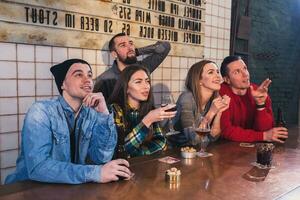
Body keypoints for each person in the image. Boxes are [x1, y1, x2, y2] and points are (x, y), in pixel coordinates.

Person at [5, 59, 132, 185]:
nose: (87, 80)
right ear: (62, 84)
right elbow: (38, 167)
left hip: (67, 189)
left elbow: (101, 158)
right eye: (78, 74)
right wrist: (95, 173)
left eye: (89, 75)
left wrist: (103, 115)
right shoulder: (41, 111)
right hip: (27, 189)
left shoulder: (92, 114)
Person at [108, 64, 176, 157]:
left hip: (144, 166)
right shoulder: (114, 110)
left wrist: (136, 153)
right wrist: (147, 121)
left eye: (147, 81)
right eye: (138, 82)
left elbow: (162, 143)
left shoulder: (150, 109)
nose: (146, 86)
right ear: (126, 88)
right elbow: (120, 151)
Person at [219, 55, 288, 142]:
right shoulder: (221, 93)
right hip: (225, 148)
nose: (245, 74)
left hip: (252, 148)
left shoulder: (258, 92)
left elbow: (267, 131)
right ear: (227, 80)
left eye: (245, 68)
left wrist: (260, 105)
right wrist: (263, 136)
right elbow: (226, 131)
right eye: (237, 72)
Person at [170, 60, 230, 147]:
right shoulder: (187, 98)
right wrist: (211, 113)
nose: (218, 76)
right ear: (199, 80)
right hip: (172, 151)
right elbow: (194, 140)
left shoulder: (214, 100)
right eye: (211, 72)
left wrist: (219, 111)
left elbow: (213, 137)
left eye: (217, 72)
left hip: (193, 151)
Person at [93, 32, 171, 100]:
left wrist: (136, 51)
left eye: (131, 43)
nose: (130, 48)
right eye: (123, 45)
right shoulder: (104, 80)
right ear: (114, 54)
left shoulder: (142, 68)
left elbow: (165, 47)